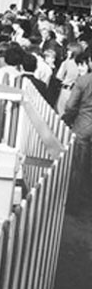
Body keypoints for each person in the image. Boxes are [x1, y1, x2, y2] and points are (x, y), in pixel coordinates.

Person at [62, 53, 92, 209]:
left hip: (83, 127)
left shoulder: (83, 81)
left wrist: (68, 118)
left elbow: (70, 106)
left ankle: (74, 203)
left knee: (78, 167)